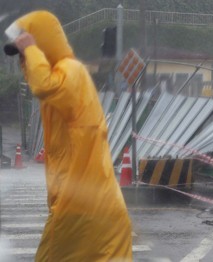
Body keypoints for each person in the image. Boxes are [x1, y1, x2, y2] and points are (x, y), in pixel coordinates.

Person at [3, 11, 133, 261]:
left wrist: (30, 49)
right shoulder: (63, 79)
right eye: (21, 54)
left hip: (82, 207)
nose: (24, 59)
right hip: (88, 203)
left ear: (43, 45)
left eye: (26, 51)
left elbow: (43, 85)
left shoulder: (71, 71)